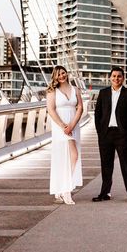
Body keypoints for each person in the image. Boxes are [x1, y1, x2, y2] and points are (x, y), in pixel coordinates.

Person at [93, 66, 127, 203]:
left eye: (119, 76)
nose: (116, 78)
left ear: (123, 78)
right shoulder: (103, 93)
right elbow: (97, 113)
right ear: (110, 78)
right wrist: (100, 131)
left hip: (122, 134)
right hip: (106, 134)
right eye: (114, 76)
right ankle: (105, 193)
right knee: (106, 165)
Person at [46, 65, 83, 205]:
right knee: (68, 156)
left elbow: (80, 107)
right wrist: (63, 126)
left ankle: (62, 188)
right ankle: (66, 190)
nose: (61, 76)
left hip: (73, 124)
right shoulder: (52, 91)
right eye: (58, 74)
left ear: (66, 73)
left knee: (72, 156)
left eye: (63, 73)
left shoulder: (75, 89)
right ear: (55, 77)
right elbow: (51, 110)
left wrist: (72, 125)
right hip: (60, 126)